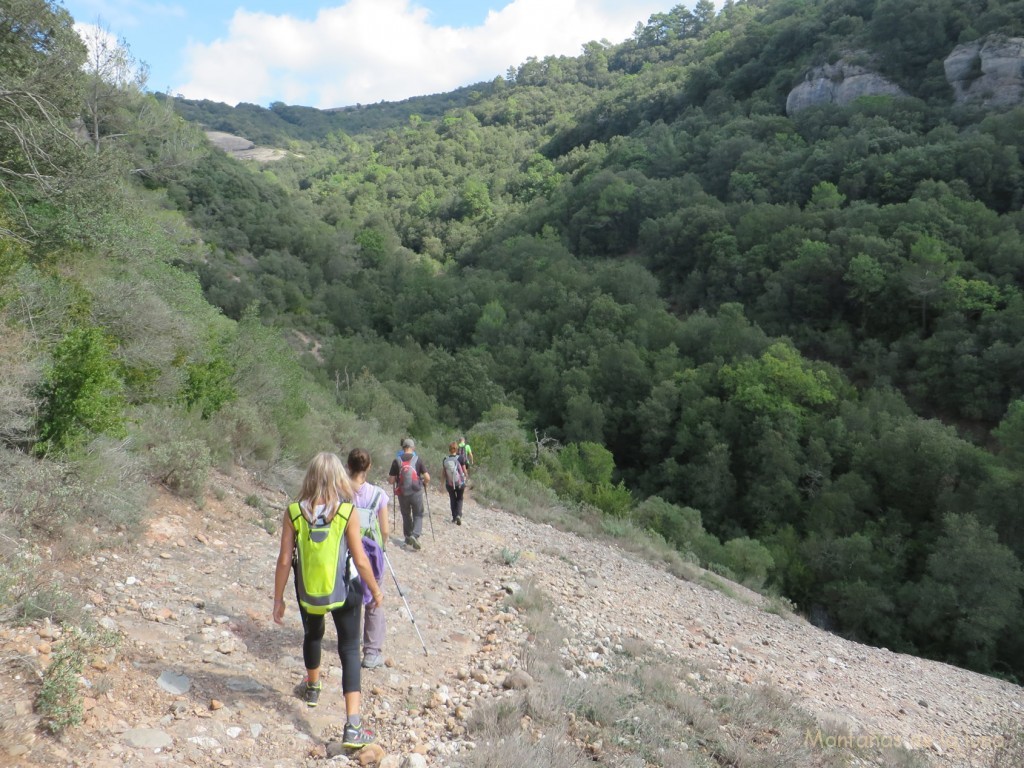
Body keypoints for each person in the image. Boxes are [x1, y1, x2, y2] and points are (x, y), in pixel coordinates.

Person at [273, 452, 382, 749]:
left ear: (309, 477)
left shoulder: (294, 511)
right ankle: (353, 726)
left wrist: (278, 598)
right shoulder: (347, 512)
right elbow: (359, 559)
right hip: (345, 591)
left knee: (312, 634)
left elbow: (285, 560)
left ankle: (312, 687)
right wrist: (376, 591)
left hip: (309, 591)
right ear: (339, 478)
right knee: (348, 648)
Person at [347, 448, 390, 670]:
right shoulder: (379, 495)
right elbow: (385, 530)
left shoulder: (340, 491)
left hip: (345, 552)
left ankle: (350, 643)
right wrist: (381, 548)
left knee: (350, 596)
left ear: (348, 466)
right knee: (375, 599)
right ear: (369, 467)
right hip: (371, 553)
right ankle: (372, 653)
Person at [387, 438, 430, 551]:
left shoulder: (397, 460)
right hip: (416, 491)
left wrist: (396, 477)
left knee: (406, 515)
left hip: (402, 492)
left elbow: (391, 480)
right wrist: (424, 484)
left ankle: (407, 537)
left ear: (403, 448)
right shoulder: (417, 459)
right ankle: (415, 535)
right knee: (418, 514)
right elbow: (427, 477)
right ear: (413, 447)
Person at [442, 441, 469, 525]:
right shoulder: (460, 458)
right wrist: (466, 477)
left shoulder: (445, 459)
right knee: (460, 498)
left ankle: (454, 517)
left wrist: (441, 483)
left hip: (449, 483)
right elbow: (464, 470)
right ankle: (458, 515)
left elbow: (443, 473)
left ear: (449, 450)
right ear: (457, 449)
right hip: (460, 483)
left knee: (452, 499)